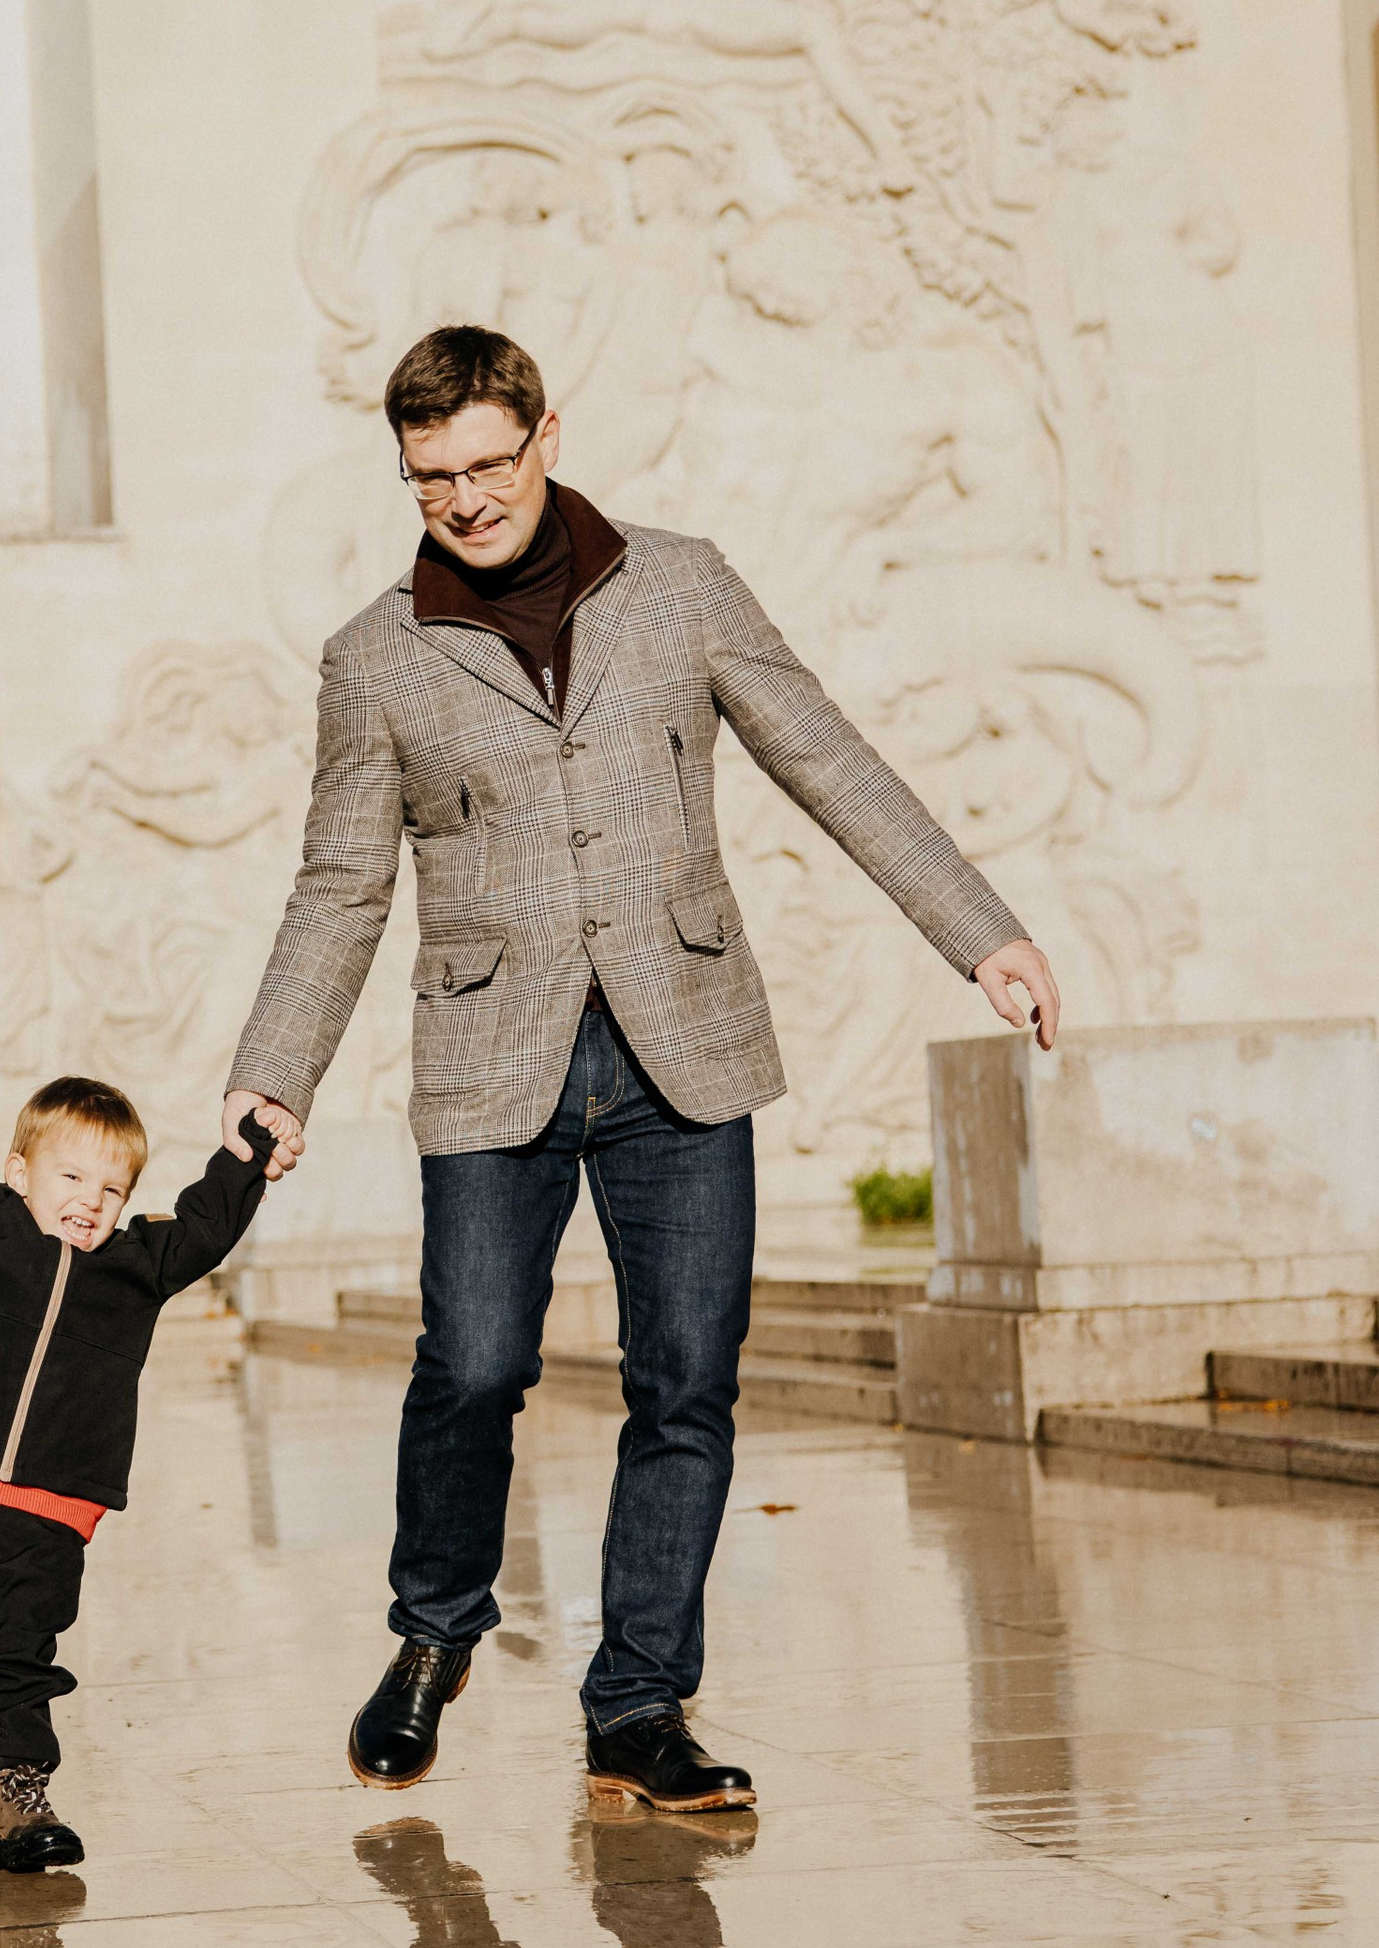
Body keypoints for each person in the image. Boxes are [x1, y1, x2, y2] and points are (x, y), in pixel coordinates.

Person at [222, 325, 1058, 1813]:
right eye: (432, 478)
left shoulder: (682, 584)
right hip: (492, 1054)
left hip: (685, 1040)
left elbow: (828, 757)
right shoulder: (374, 656)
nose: (467, 499)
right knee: (474, 1362)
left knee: (686, 1383)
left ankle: (638, 1702)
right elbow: (340, 882)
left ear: (547, 434)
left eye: (489, 463)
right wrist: (275, 1068)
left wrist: (979, 931)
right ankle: (435, 1628)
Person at [0, 1008, 272, 1871]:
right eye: (71, 1176)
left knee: (20, 1646)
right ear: (20, 1172)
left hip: (49, 1499)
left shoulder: (135, 1267)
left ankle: (15, 1789)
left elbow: (206, 1225)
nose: (90, 1200)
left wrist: (249, 1153)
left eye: (111, 1189)